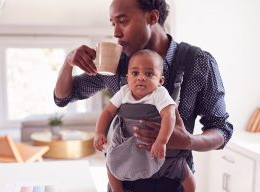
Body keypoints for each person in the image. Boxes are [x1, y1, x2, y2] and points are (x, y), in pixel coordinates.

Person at [54, 0, 233, 191]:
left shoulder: (198, 62)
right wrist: (68, 62)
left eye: (123, 21)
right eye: (113, 24)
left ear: (152, 17)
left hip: (173, 181)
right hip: (122, 183)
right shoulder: (114, 62)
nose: (116, 33)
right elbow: (63, 97)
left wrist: (188, 140)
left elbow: (221, 129)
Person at [94, 49, 195, 192]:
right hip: (126, 143)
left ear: (160, 81)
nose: (141, 78)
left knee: (183, 171)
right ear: (128, 77)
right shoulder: (124, 92)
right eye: (135, 73)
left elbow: (169, 115)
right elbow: (108, 112)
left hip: (153, 145)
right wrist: (99, 132)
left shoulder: (159, 94)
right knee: (111, 163)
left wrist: (162, 141)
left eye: (149, 74)